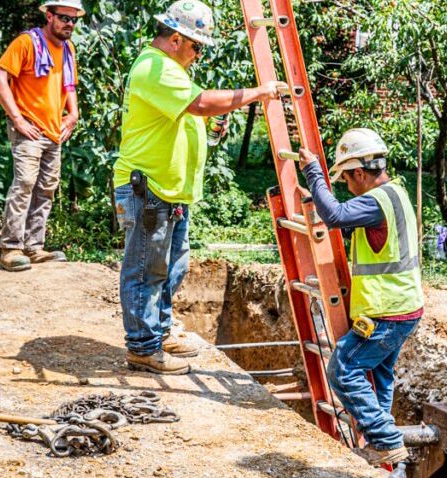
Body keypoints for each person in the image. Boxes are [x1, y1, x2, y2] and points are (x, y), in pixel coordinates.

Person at [114, 0, 286, 375]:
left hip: (168, 190)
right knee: (146, 270)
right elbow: (199, 103)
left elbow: (185, 115)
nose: (198, 54)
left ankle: (158, 331)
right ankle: (143, 347)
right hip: (150, 189)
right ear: (176, 38)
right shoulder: (154, 67)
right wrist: (259, 92)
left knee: (171, 267)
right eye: (197, 46)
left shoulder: (169, 69)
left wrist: (205, 127)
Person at [298, 128, 424, 465]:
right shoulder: (396, 193)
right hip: (404, 308)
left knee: (343, 368)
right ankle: (388, 459)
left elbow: (335, 215)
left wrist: (313, 174)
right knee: (379, 378)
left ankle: (385, 439)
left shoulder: (375, 202)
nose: (347, 188)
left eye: (347, 180)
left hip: (386, 312)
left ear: (359, 172)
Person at [0, 0, 84, 272]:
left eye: (74, 19)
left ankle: (34, 247)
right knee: (25, 183)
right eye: (65, 18)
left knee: (46, 189)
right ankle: (10, 248)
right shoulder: (27, 43)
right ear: (50, 16)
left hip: (54, 129)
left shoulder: (68, 48)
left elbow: (69, 85)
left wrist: (73, 114)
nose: (70, 24)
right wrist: (17, 118)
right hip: (29, 127)